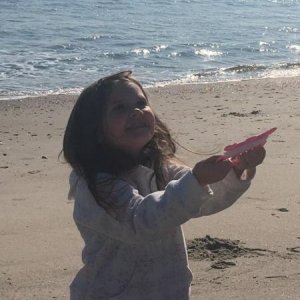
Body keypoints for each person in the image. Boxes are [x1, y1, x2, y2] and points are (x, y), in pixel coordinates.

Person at [63, 70, 266, 300]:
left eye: (141, 103)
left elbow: (203, 199)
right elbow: (141, 221)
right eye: (120, 108)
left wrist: (236, 169)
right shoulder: (95, 185)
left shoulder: (160, 166)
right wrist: (197, 180)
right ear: (95, 131)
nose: (136, 111)